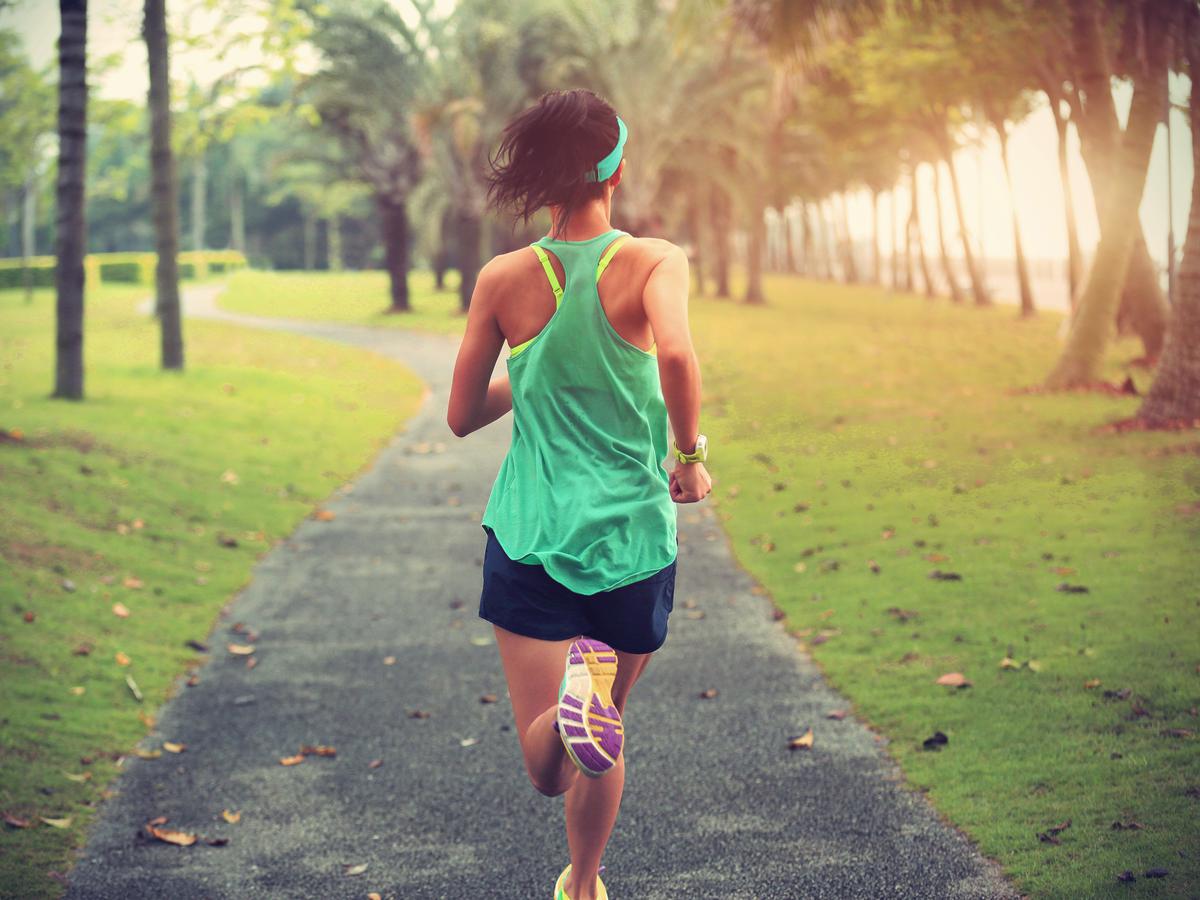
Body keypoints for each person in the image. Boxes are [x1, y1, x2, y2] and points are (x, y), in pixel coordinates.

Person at [446, 88, 712, 900]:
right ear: (617, 171)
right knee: (606, 731)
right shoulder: (655, 260)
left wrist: (526, 372)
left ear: (544, 180)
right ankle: (586, 884)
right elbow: (674, 354)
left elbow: (461, 416)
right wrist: (690, 454)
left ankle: (570, 707)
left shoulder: (503, 278)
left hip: (531, 537)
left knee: (548, 765)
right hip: (632, 540)